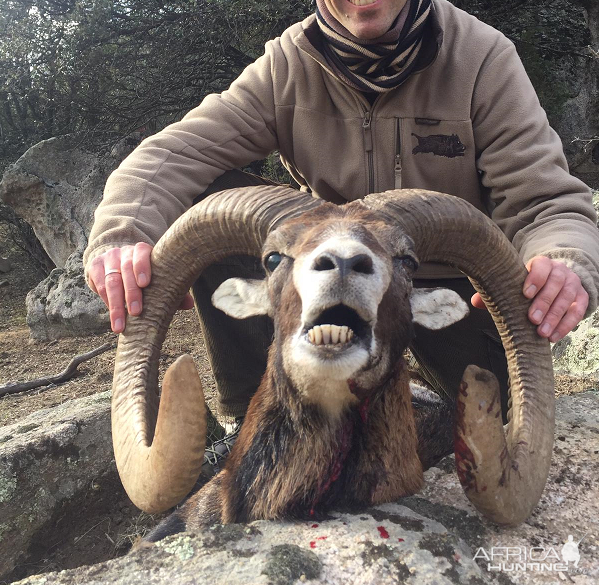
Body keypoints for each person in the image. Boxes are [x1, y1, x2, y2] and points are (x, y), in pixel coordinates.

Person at [84, 0, 598, 477]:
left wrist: (562, 261)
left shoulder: (483, 58)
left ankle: (422, 413)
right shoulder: (288, 63)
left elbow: (544, 201)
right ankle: (252, 420)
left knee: (495, 432)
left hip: (445, 292)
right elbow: (173, 155)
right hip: (327, 279)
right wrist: (122, 236)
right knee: (211, 202)